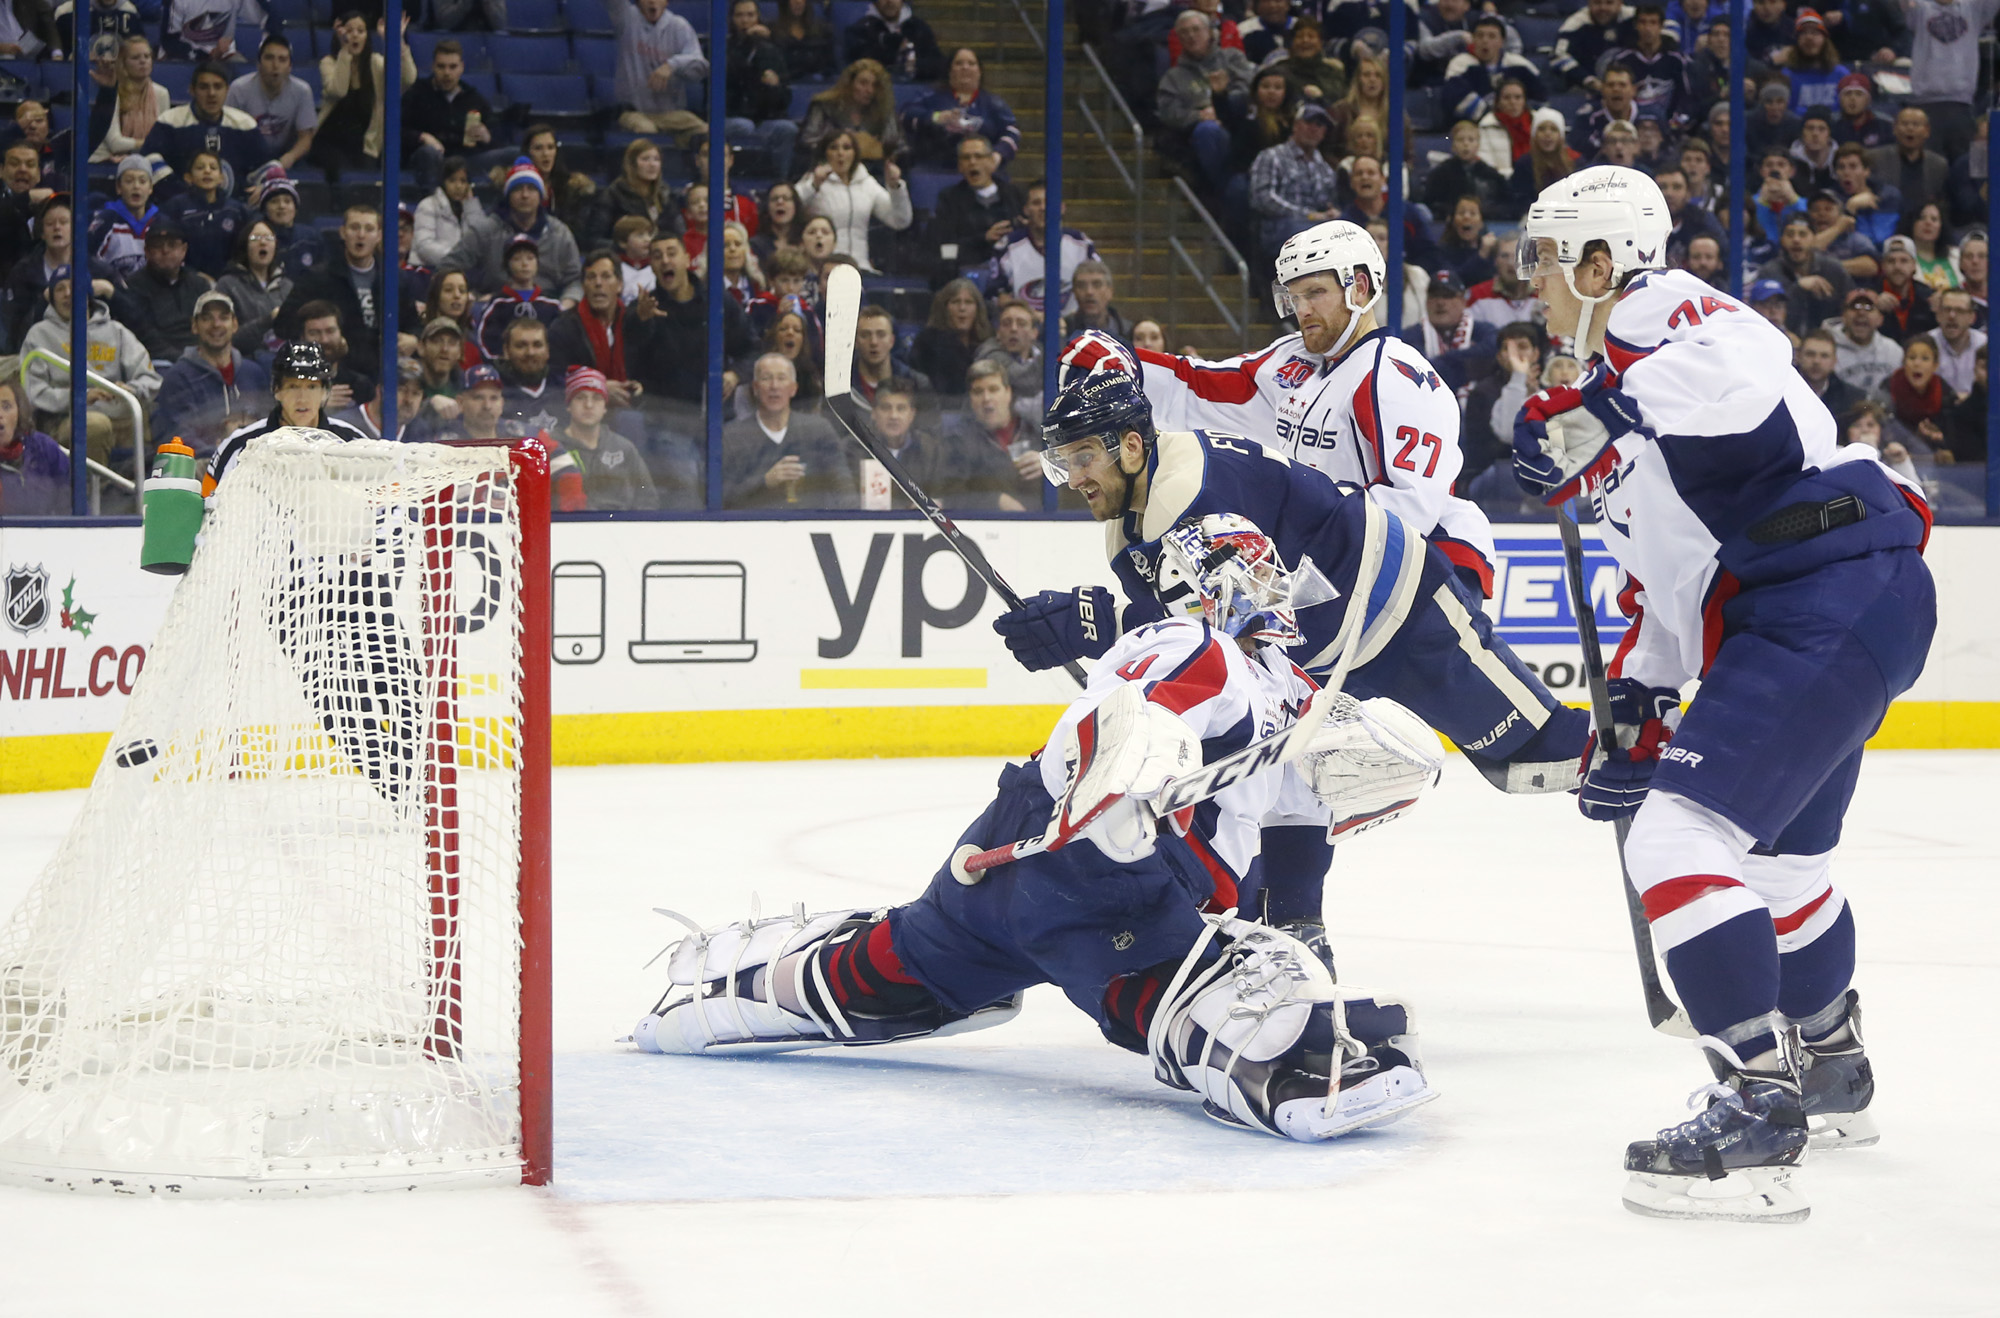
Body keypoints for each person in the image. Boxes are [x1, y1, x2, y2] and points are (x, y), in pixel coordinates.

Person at [636, 510, 1440, 1151]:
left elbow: (1302, 815)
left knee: (897, 965)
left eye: (1270, 566)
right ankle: (1296, 1066)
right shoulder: (1197, 644)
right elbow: (1127, 705)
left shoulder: (1297, 701)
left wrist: (1302, 909)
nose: (1270, 584)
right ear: (1207, 585)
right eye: (1250, 567)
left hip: (1009, 866)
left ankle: (724, 992)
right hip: (1116, 888)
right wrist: (1121, 772)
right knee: (1168, 998)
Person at [1511, 164, 1932, 1222]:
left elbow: (1749, 372)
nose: (1535, 287)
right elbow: (1666, 578)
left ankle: (1754, 1110)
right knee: (1783, 865)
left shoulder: (1656, 315)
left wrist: (1602, 402)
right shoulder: (1613, 403)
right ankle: (1829, 1068)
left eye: (1546, 262)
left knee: (1676, 843)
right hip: (1833, 597)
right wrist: (1640, 714)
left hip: (1821, 587)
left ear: (1600, 260)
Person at [22, 266, 162, 468]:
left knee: (162, 423)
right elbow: (32, 393)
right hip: (65, 419)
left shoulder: (116, 331)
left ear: (88, 295)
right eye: (60, 289)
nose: (68, 293)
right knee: (95, 425)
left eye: (74, 287)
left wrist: (130, 389)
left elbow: (151, 379)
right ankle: (89, 495)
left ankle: (138, 493)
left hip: (119, 415)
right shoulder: (39, 335)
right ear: (52, 298)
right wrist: (80, 397)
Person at [205, 341, 369, 492]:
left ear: (325, 392)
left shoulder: (353, 445)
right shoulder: (239, 447)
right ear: (277, 391)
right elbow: (209, 508)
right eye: (293, 386)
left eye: (311, 387)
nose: (302, 398)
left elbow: (385, 508)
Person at [866, 375, 1022, 510]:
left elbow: (948, 495)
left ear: (912, 414)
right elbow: (846, 498)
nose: (894, 416)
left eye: (901, 408)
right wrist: (905, 510)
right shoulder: (857, 447)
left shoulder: (932, 449)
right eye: (886, 408)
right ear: (874, 413)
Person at [441, 159, 585, 305]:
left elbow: (576, 279)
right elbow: (447, 268)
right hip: (495, 308)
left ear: (541, 195)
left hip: (549, 310)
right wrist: (470, 296)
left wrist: (566, 304)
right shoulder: (484, 230)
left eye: (531, 189)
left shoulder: (560, 233)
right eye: (518, 189)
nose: (525, 195)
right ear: (508, 195)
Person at [721, 351, 851, 509]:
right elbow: (723, 498)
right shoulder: (731, 436)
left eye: (781, 378)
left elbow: (844, 486)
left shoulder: (818, 430)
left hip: (810, 525)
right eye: (766, 378)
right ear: (755, 388)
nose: (774, 386)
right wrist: (765, 482)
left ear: (793, 389)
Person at [151, 287, 268, 453]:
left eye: (224, 317)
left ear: (234, 324)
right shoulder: (178, 377)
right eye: (207, 318)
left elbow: (269, 425)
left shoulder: (254, 373)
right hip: (202, 466)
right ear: (194, 326)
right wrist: (222, 450)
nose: (216, 325)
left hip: (254, 463)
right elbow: (176, 436)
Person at [1156, 8, 1254, 198]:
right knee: (1207, 130)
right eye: (1184, 32)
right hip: (1201, 138)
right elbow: (1168, 112)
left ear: (1210, 32)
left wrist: (1221, 104)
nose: (1191, 36)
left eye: (1196, 30)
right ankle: (1225, 192)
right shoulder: (1173, 77)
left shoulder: (1232, 58)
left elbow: (1250, 90)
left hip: (1242, 128)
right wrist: (1198, 116)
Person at [274, 204, 385, 368]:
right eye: (354, 227)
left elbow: (412, 323)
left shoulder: (393, 279)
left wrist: (411, 337)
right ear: (342, 232)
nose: (361, 235)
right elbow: (283, 325)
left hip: (386, 368)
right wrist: (324, 339)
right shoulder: (316, 277)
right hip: (336, 369)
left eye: (369, 229)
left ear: (379, 236)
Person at [310, 12, 417, 181]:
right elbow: (338, 91)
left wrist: (396, 41)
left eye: (360, 31)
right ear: (340, 33)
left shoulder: (375, 63)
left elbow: (408, 79)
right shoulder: (329, 62)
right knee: (341, 171)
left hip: (364, 143)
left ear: (367, 36)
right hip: (329, 139)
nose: (355, 35)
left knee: (363, 176)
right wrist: (345, 51)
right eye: (350, 30)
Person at [794, 132, 911, 275]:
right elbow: (790, 204)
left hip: (861, 267)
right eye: (833, 148)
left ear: (855, 153)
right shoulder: (815, 180)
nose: (840, 153)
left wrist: (895, 187)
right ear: (825, 153)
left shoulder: (867, 183)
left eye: (846, 148)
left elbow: (900, 220)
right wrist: (813, 185)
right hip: (826, 269)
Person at [142, 60, 268, 192]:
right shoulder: (170, 121)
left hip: (236, 207)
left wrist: (265, 188)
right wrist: (177, 193)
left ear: (227, 90)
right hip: (178, 205)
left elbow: (268, 166)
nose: (211, 93)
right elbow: (149, 159)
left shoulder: (244, 124)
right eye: (204, 87)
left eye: (218, 87)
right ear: (192, 90)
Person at [548, 251, 647, 410]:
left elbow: (648, 371)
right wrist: (597, 387)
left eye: (606, 276)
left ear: (620, 284)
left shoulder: (633, 322)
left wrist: (638, 387)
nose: (598, 283)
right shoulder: (563, 327)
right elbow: (555, 379)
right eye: (591, 277)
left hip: (631, 412)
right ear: (583, 286)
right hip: (580, 414)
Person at [987, 179, 1099, 319]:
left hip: (1074, 328)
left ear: (1062, 208)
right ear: (1026, 210)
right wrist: (1032, 316)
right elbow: (997, 295)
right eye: (1036, 203)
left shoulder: (1081, 244)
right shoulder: (1008, 247)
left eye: (1048, 201)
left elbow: (1100, 287)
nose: (1043, 208)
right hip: (1024, 329)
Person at [400, 38, 499, 197]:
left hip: (466, 160)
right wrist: (421, 136)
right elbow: (397, 129)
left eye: (452, 67)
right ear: (433, 66)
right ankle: (434, 207)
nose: (447, 73)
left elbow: (496, 136)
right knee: (428, 153)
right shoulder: (418, 93)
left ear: (462, 68)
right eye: (441, 66)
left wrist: (488, 137)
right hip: (430, 159)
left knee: (514, 154)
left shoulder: (474, 98)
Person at [550, 367, 657, 511]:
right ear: (568, 405)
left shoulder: (624, 448)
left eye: (596, 398)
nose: (588, 405)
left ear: (605, 407)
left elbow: (648, 499)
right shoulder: (551, 447)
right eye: (580, 397)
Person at [902, 47, 1020, 170]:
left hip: (981, 171)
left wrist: (997, 154)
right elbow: (905, 115)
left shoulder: (993, 103)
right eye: (959, 63)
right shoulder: (930, 97)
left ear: (980, 71)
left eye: (971, 63)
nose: (965, 67)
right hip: (935, 169)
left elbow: (1012, 131)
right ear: (949, 70)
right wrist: (937, 117)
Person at [112, 220, 214, 360]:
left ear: (184, 250)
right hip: (157, 361)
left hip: (202, 356)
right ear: (146, 252)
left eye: (172, 245)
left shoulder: (199, 284)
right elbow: (145, 336)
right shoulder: (133, 286)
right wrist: (184, 359)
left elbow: (209, 327)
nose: (165, 250)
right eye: (158, 246)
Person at [1249, 102, 1340, 257]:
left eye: (1319, 125)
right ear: (1296, 125)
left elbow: (1330, 201)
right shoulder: (1272, 156)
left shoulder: (1325, 167)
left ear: (1324, 132)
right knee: (1304, 234)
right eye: (1309, 123)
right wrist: (1306, 215)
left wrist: (1333, 211)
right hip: (1280, 228)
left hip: (1317, 226)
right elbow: (1262, 199)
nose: (1314, 128)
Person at [610, 0, 709, 141]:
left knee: (704, 131)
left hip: (671, 114)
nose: (652, 1)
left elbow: (700, 65)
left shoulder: (678, 25)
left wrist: (672, 65)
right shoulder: (626, 17)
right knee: (647, 131)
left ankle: (689, 162)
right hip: (634, 112)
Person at [930, 135, 1024, 275]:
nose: (972, 162)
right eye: (966, 158)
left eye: (979, 156)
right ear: (960, 166)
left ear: (992, 162)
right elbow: (944, 245)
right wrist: (984, 238)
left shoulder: (1014, 195)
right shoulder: (948, 199)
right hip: (965, 271)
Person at [226, 33, 318, 172]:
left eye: (282, 60)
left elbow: (305, 138)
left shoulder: (302, 91)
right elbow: (227, 133)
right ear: (258, 63)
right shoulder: (238, 89)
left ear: (290, 66)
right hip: (247, 157)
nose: (275, 65)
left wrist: (290, 157)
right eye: (269, 58)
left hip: (286, 156)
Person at [947, 357, 1039, 494]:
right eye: (978, 392)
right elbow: (954, 492)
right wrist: (995, 500)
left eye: (993, 389)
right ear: (970, 399)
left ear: (1008, 393)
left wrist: (1047, 463)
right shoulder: (958, 440)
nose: (986, 398)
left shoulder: (1034, 431)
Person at [159, 150, 250, 280]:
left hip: (229, 281)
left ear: (221, 178)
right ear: (188, 177)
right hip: (185, 280)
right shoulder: (176, 207)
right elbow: (168, 248)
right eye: (200, 167)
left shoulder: (235, 210)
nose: (207, 171)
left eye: (213, 168)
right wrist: (192, 275)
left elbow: (243, 251)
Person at [798, 58, 904, 168]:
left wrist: (878, 150)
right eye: (863, 83)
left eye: (875, 85)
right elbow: (807, 142)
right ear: (849, 84)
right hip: (827, 168)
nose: (870, 90)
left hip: (873, 171)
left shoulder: (884, 110)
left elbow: (900, 148)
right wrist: (841, 145)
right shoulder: (823, 106)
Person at [473, 234, 563, 363]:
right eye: (517, 259)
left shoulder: (552, 304)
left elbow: (561, 340)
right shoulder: (498, 304)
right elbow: (486, 342)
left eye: (530, 258)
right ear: (507, 265)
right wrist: (502, 363)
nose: (525, 264)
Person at [1608, 2, 1694, 131]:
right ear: (1636, 25)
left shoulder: (1676, 60)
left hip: (1668, 126)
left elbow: (1686, 97)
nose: (1647, 28)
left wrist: (1674, 124)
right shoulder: (1622, 60)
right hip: (1630, 127)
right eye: (1643, 22)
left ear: (1661, 26)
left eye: (1653, 23)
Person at [1759, 214, 1854, 330]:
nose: (1796, 240)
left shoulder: (1833, 269)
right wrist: (1798, 287)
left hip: (1829, 340)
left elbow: (1849, 305)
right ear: (1782, 240)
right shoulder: (1770, 272)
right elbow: (1765, 314)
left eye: (1803, 234)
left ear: (1814, 238)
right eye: (1790, 235)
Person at [1443, 14, 1543, 123]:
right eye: (1480, 36)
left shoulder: (1520, 64)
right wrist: (1496, 118)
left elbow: (1541, 99)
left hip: (1517, 125)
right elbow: (1455, 100)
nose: (1485, 41)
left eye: (1492, 36)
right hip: (1475, 128)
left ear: (1502, 41)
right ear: (1473, 39)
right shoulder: (1460, 64)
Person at [89, 33, 170, 164]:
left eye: (147, 56)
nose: (143, 61)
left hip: (144, 159)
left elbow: (163, 139)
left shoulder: (161, 93)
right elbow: (115, 144)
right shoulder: (113, 92)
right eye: (135, 57)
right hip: (105, 160)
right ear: (123, 63)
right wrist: (149, 143)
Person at [1864, 108, 1949, 222]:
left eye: (1916, 124)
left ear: (1927, 131)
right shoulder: (1874, 158)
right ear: (1894, 128)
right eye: (1905, 124)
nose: (1910, 128)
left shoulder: (1938, 165)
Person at [0, 376, 68, 516]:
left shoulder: (44, 448)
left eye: (6, 407)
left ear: (20, 411)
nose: (0, 414)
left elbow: (71, 502)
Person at [910, 276, 988, 397]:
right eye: (955, 302)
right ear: (944, 308)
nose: (962, 308)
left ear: (978, 309)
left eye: (968, 302)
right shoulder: (927, 344)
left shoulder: (987, 342)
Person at [850, 301, 931, 412]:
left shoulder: (918, 384)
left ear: (892, 341)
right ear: (855, 342)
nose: (873, 342)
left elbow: (930, 427)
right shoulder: (839, 385)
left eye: (881, 335)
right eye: (865, 335)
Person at [974, 296, 1042, 427]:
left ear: (1034, 333)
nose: (1014, 329)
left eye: (1021, 323)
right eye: (1006, 324)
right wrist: (1057, 337)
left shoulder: (1041, 352)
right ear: (998, 332)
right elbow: (1028, 380)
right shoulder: (989, 354)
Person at [1424, 119, 1510, 221]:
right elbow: (1431, 203)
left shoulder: (1490, 174)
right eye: (1460, 140)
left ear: (1478, 145)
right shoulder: (1441, 173)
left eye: (1471, 140)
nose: (1466, 144)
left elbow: (1507, 202)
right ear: (1453, 146)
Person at [88, 155, 159, 278]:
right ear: (118, 187)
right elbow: (85, 258)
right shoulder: (106, 220)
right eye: (129, 181)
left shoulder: (159, 221)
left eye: (142, 181)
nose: (136, 186)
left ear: (150, 188)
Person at [842, 0, 943, 83]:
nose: (889, 1)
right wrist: (895, 56)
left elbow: (937, 64)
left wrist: (914, 66)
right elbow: (856, 67)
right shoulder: (860, 30)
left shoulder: (919, 28)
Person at [1770, 8, 1848, 115]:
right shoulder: (1787, 75)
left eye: (1815, 32)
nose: (1809, 38)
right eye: (1803, 33)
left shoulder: (1841, 74)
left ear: (1825, 39)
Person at [1827, 287, 1904, 396]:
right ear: (1843, 316)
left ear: (1880, 319)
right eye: (1854, 307)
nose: (1861, 312)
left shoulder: (1894, 351)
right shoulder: (1827, 349)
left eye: (1869, 308)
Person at [494, 316, 562, 438]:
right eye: (521, 346)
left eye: (537, 345)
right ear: (506, 350)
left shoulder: (564, 387)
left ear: (547, 350)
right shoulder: (493, 391)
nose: (530, 352)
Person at [1551, 0, 1638, 90]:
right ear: (1589, 3)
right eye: (1597, 3)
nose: (1603, 8)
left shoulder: (1636, 17)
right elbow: (1558, 57)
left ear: (1620, 4)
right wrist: (1588, 80)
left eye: (1609, 3)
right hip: (1587, 88)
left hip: (1634, 86)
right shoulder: (1576, 23)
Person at [1795, 327, 1865, 420]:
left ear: (1834, 361)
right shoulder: (1781, 391)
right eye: (1810, 354)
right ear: (1798, 356)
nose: (1816, 361)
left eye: (1824, 356)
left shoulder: (1851, 398)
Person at [1925, 287, 1985, 397]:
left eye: (1960, 311)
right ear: (1938, 315)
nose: (1951, 316)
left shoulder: (1985, 345)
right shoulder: (1924, 344)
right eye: (1947, 309)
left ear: (1972, 318)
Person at [1434, 197, 1498, 287]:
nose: (1466, 217)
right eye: (1461, 213)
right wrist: (1481, 255)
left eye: (1472, 213)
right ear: (1453, 221)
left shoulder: (1492, 250)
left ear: (1481, 223)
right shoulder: (1441, 251)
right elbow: (1453, 281)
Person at [1068, 260, 1134, 348]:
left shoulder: (1129, 332)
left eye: (1097, 285)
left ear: (1110, 291)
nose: (1089, 292)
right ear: (1074, 292)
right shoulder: (1063, 330)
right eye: (1081, 285)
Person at [1477, 77, 1532, 179]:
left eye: (1518, 97)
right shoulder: (1486, 127)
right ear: (1497, 102)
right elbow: (1486, 164)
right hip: (1501, 183)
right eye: (1507, 98)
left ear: (1524, 100)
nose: (1512, 102)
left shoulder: (1538, 122)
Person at [770, 0, 835, 83]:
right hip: (785, 83)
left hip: (816, 84)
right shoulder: (772, 31)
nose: (798, 1)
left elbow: (831, 66)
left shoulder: (823, 31)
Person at [1900, 202, 1957, 294]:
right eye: (1922, 218)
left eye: (1934, 219)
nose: (1928, 223)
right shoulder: (1900, 258)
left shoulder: (1956, 255)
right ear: (1911, 223)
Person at [1831, 71, 1893, 149]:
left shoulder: (1885, 125)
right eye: (1848, 93)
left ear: (1868, 100)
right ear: (1840, 99)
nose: (1852, 99)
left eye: (1858, 94)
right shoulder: (1831, 126)